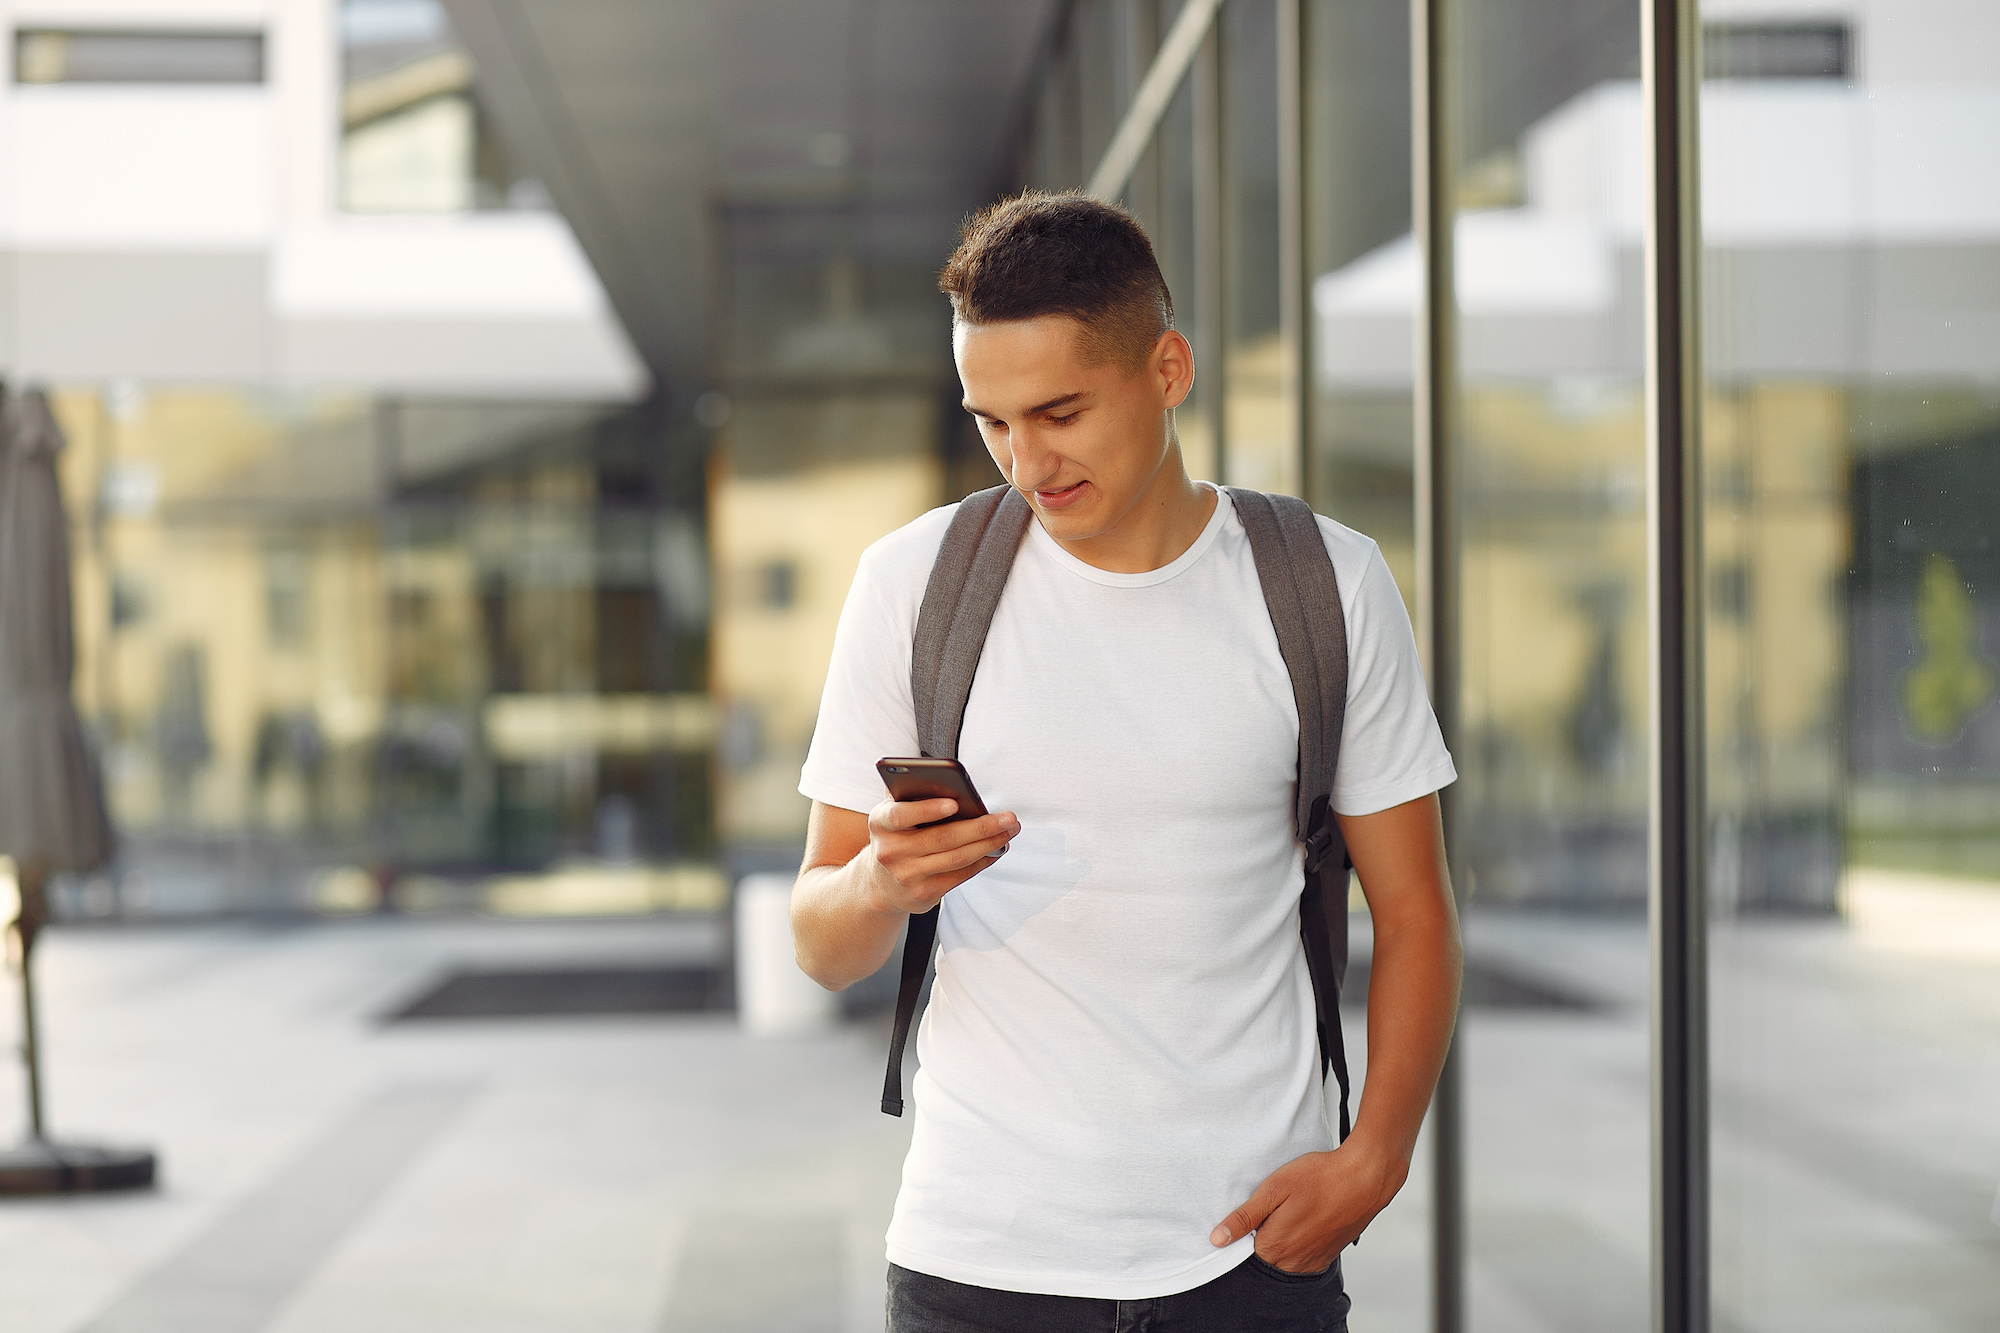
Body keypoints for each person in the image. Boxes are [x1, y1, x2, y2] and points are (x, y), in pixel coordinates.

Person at [791, 192, 1461, 1332]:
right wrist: (878, 885)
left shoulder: (1323, 584)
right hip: (979, 1260)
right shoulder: (913, 587)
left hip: (1249, 1256)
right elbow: (819, 942)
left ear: (1166, 367)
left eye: (1058, 411)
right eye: (990, 421)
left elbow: (1413, 912)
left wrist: (1375, 1156)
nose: (1026, 461)